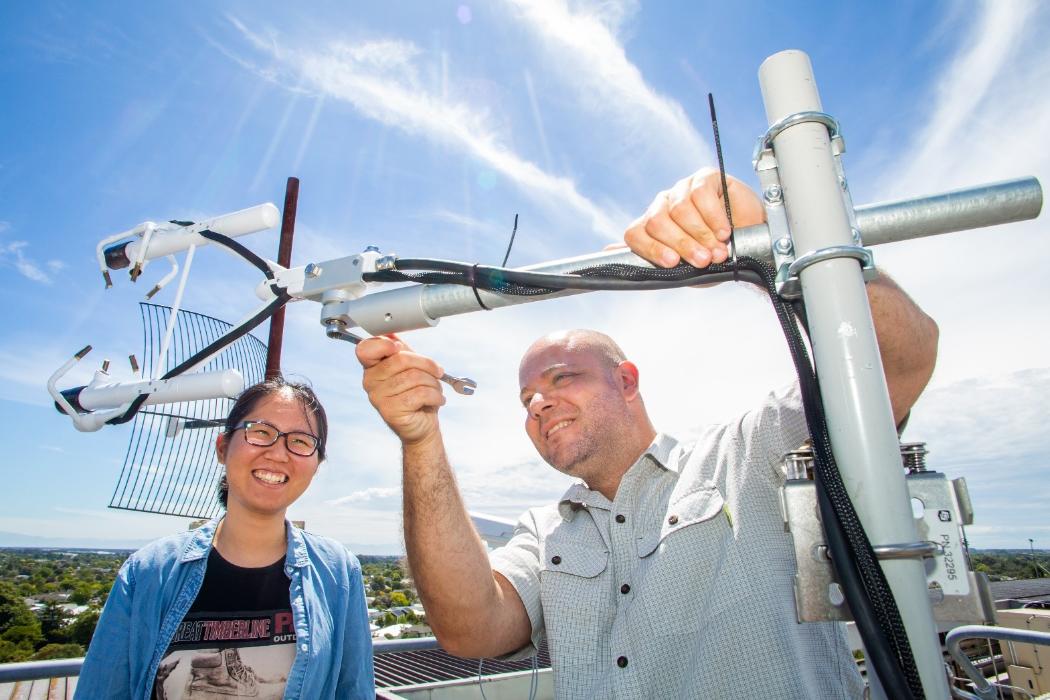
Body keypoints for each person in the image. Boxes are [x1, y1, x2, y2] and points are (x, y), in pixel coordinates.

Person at [355, 168, 939, 699]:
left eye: (563, 378)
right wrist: (420, 439)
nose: (539, 402)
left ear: (627, 381)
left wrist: (770, 242)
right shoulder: (546, 531)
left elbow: (894, 366)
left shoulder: (748, 454)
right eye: (527, 397)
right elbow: (471, 628)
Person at [77, 378, 375, 699]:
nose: (278, 453)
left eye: (301, 441)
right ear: (223, 447)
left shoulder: (338, 573)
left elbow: (354, 690)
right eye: (260, 431)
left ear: (316, 465)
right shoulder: (149, 572)